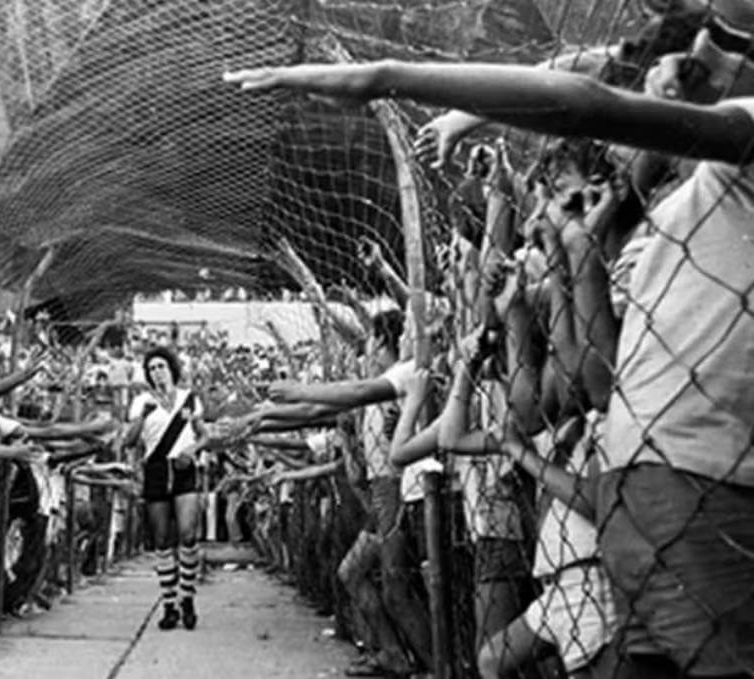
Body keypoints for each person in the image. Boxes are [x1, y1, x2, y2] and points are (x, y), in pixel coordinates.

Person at [224, 5, 754, 672]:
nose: (652, 84)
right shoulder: (672, 210)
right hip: (638, 500)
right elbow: (594, 85)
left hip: (687, 496)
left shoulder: (732, 147)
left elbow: (583, 100)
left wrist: (387, 76)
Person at [123, 346, 207, 631]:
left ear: (171, 368)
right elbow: (129, 441)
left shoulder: (189, 399)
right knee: (161, 540)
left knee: (188, 533)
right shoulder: (141, 402)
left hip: (184, 468)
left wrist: (193, 450)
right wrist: (142, 417)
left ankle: (188, 597)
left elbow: (204, 435)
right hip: (156, 469)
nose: (157, 371)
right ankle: (169, 603)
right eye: (152, 368)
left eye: (161, 366)